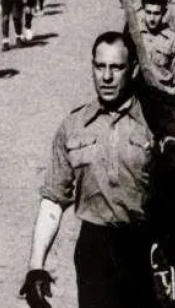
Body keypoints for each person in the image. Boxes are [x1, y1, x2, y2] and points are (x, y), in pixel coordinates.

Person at [22, 32, 160, 308]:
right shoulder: (74, 126)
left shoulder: (155, 122)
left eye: (116, 67)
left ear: (131, 70)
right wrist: (35, 267)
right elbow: (53, 198)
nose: (106, 77)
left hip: (147, 247)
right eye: (100, 66)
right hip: (95, 248)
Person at [130, 0, 175, 97]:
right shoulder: (135, 35)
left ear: (164, 12)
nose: (152, 18)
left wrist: (174, 92)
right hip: (137, 94)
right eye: (148, 12)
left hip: (163, 94)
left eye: (156, 13)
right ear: (143, 10)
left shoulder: (172, 39)